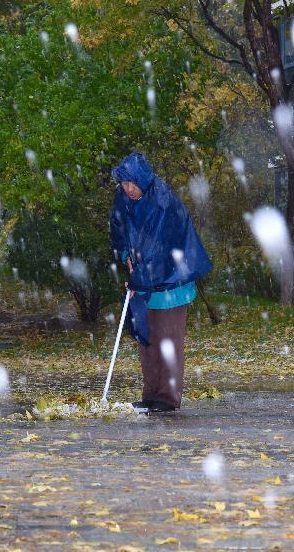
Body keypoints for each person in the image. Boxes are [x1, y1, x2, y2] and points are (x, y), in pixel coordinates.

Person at [109, 152, 212, 413]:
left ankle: (167, 397)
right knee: (147, 336)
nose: (128, 189)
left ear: (142, 180)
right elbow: (119, 230)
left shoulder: (162, 200)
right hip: (144, 280)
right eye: (124, 184)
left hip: (171, 280)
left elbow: (158, 247)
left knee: (168, 338)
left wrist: (137, 275)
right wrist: (126, 257)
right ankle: (150, 394)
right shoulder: (123, 198)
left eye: (132, 183)